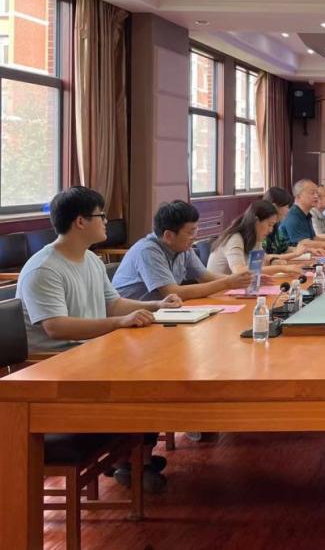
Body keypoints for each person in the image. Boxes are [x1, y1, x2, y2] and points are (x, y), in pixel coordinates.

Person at [16, 187, 178, 492]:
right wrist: (119, 323)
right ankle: (132, 461)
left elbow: (113, 304)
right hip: (58, 369)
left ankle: (135, 457)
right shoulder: (44, 268)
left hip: (90, 356)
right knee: (142, 381)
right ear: (80, 222)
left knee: (154, 368)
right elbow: (56, 327)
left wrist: (157, 305)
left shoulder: (90, 259)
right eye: (101, 215)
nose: (106, 222)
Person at [112, 200, 252, 300]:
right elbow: (173, 292)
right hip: (131, 319)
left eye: (196, 230)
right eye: (191, 232)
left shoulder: (183, 247)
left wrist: (243, 280)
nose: (195, 237)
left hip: (159, 313)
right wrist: (227, 283)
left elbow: (205, 277)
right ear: (169, 236)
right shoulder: (148, 251)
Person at [207, 200, 305, 277]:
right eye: (269, 225)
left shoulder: (255, 237)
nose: (271, 230)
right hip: (218, 292)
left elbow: (263, 259)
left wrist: (272, 261)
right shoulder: (234, 238)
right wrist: (283, 268)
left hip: (237, 290)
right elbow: (240, 271)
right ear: (256, 221)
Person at [278, 179, 325, 248]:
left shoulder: (306, 214)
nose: (316, 196)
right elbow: (305, 244)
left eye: (317, 193)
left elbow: (314, 238)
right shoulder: (294, 216)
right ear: (298, 196)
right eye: (312, 193)